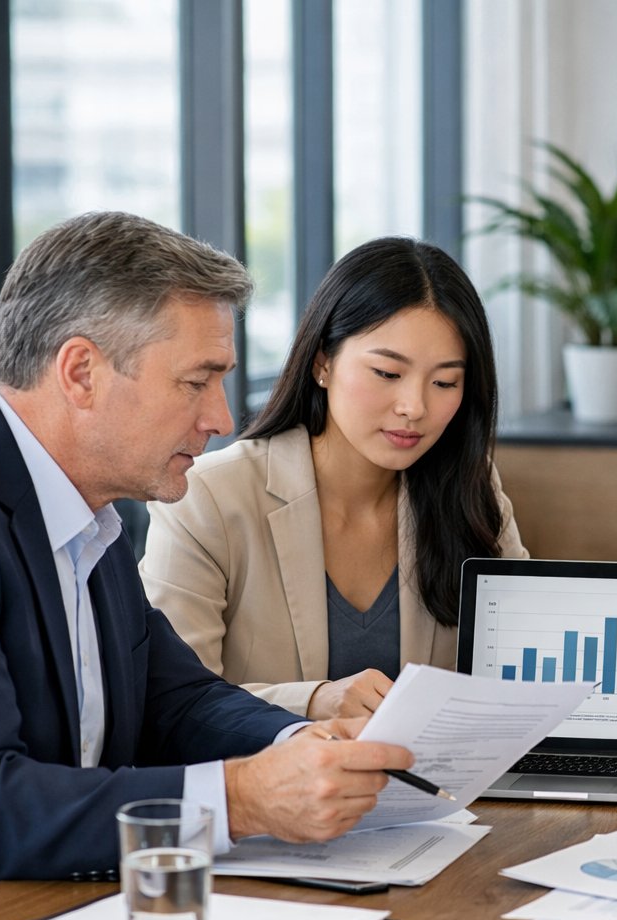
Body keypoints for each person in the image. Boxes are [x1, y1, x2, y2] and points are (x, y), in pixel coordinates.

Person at [0, 212, 416, 914]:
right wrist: (240, 799)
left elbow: (175, 699)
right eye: (196, 382)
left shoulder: (90, 508)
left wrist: (305, 742)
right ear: (81, 373)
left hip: (73, 910)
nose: (222, 419)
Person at [140, 238, 527, 719]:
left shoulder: (469, 488)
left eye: (445, 382)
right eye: (388, 373)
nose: (415, 407)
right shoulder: (210, 498)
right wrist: (314, 700)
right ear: (323, 362)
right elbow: (172, 704)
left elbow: (517, 667)